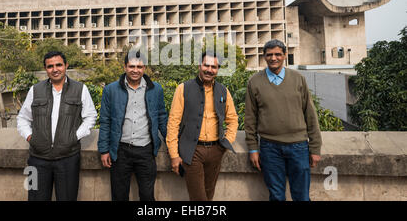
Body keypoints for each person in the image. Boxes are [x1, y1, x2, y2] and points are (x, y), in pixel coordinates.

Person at [244, 39, 322, 201]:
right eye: (269, 55)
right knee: (276, 196)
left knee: (302, 196)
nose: (274, 58)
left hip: (299, 147)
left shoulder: (298, 79)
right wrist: (253, 148)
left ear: (285, 55)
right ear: (264, 57)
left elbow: (310, 113)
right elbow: (250, 118)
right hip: (269, 148)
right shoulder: (254, 82)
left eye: (278, 54)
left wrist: (315, 148)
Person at [17, 51, 97, 201]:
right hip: (36, 159)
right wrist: (30, 137)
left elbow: (91, 116)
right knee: (34, 198)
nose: (55, 69)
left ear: (66, 65)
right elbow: (22, 118)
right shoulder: (35, 90)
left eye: (59, 65)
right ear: (45, 69)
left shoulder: (80, 89)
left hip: (68, 158)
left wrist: (74, 137)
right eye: (50, 66)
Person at [166, 51, 238, 201]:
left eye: (214, 67)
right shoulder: (183, 89)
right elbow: (173, 123)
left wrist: (227, 142)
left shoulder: (223, 91)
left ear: (217, 69)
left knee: (208, 194)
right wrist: (174, 155)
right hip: (192, 151)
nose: (209, 70)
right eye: (206, 65)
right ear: (200, 65)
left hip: (216, 150)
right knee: (199, 198)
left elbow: (232, 119)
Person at [97, 51, 167, 201]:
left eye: (139, 66)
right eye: (131, 66)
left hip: (146, 150)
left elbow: (162, 117)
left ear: (144, 68)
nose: (135, 70)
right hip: (121, 151)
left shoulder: (156, 89)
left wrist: (174, 145)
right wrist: (104, 150)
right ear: (125, 67)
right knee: (119, 195)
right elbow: (105, 121)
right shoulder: (111, 90)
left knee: (148, 196)